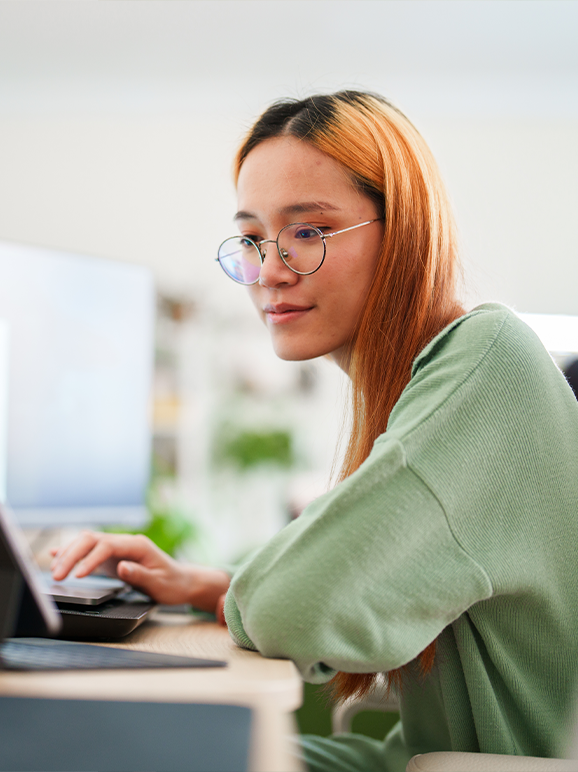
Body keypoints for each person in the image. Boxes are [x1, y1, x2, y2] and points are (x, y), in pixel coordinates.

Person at [51, 91, 578, 771]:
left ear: (405, 231)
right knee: (126, 747)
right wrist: (211, 584)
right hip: (413, 755)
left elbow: (289, 610)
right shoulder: (423, 381)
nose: (269, 271)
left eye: (308, 232)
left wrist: (244, 597)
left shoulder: (488, 356)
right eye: (252, 239)